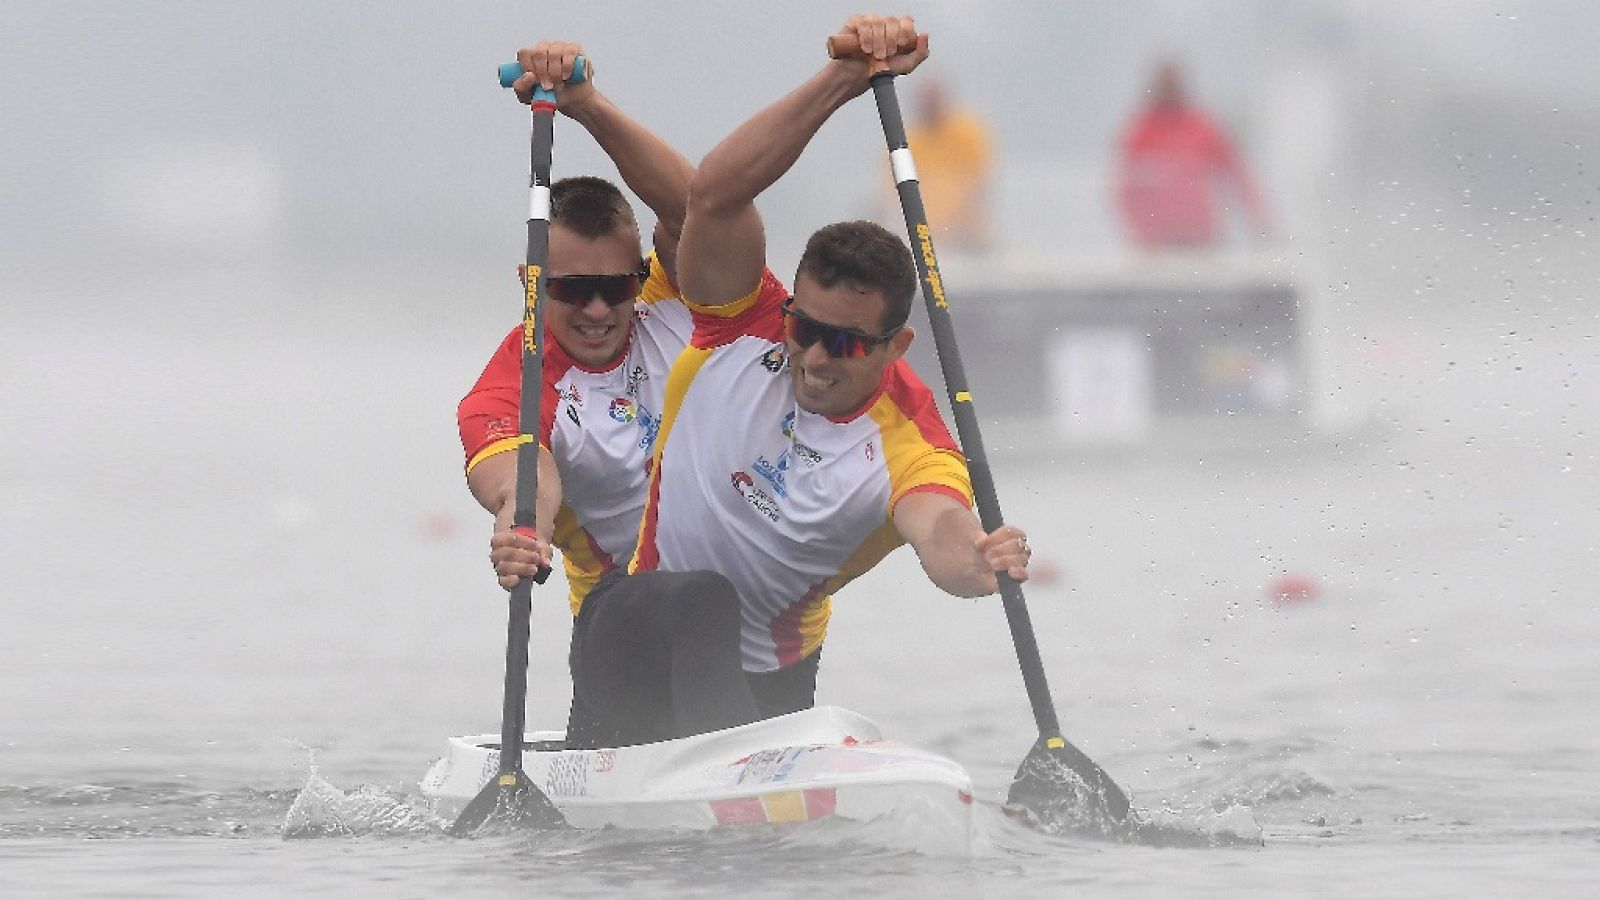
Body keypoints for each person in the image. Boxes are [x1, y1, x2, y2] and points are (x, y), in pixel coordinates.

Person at [496, 14, 1034, 750]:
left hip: (773, 674)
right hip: (632, 630)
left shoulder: (911, 444)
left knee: (753, 727)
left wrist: (978, 559)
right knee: (703, 599)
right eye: (805, 329)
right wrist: (843, 79)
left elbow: (940, 527)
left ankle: (743, 776)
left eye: (845, 344)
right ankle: (734, 772)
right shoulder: (743, 323)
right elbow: (711, 196)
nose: (814, 358)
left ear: (896, 347)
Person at [459, 41, 695, 617]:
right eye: (571, 289)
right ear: (531, 283)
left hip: (752, 601)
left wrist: (588, 105)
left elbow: (697, 210)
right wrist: (522, 530)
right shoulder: (513, 385)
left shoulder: (670, 299)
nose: (596, 310)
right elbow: (525, 484)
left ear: (642, 275)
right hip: (623, 609)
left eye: (615, 287)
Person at [1115, 60, 1271, 250]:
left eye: (1173, 86)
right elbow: (1127, 189)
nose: (1169, 93)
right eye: (1165, 87)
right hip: (1157, 244)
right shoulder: (1141, 134)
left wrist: (1260, 221)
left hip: (1202, 237)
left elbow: (1236, 176)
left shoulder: (1202, 128)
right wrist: (1142, 234)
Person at [888, 76, 994, 250]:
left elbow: (980, 181)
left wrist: (960, 222)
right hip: (923, 234)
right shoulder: (908, 140)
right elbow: (891, 190)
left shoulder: (967, 133)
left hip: (968, 233)